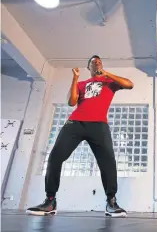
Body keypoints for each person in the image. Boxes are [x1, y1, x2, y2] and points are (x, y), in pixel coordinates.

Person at [26, 55, 134, 217]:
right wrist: (75, 78)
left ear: (101, 65)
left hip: (99, 125)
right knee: (55, 157)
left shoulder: (110, 82)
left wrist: (105, 73)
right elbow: (72, 102)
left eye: (99, 61)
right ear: (88, 67)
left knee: (108, 162)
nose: (96, 63)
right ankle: (50, 201)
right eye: (93, 62)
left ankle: (111, 202)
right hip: (75, 123)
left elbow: (129, 84)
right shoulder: (82, 84)